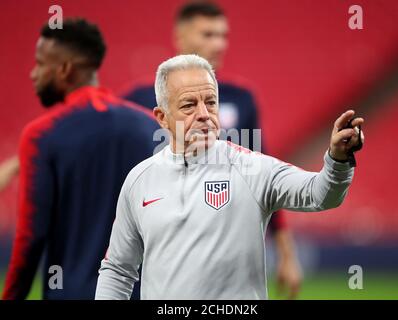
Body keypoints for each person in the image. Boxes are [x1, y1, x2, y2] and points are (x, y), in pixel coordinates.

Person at [95, 54, 364, 300]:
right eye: (189, 105)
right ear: (162, 117)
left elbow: (320, 194)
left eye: (210, 102)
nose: (203, 114)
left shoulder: (252, 169)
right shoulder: (139, 180)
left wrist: (338, 159)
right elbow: (118, 269)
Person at [123, 1, 302, 298]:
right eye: (207, 34)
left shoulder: (241, 99)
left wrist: (286, 254)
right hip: (157, 239)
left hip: (220, 244)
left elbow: (263, 175)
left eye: (223, 35)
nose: (219, 44)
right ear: (180, 38)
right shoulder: (136, 100)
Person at [2, 18, 159, 300]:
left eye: (40, 63)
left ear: (64, 69)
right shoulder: (151, 128)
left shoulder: (42, 135)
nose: (33, 74)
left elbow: (30, 238)